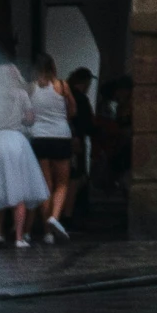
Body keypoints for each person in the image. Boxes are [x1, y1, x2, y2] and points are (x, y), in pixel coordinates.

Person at [0, 60, 48, 248]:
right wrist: (21, 118)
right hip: (16, 142)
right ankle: (19, 237)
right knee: (19, 189)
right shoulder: (21, 94)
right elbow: (30, 120)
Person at [27, 54, 75, 242]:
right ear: (53, 67)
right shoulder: (62, 86)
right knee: (62, 184)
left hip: (39, 137)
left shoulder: (31, 88)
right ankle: (55, 217)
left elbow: (29, 113)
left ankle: (47, 232)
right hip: (61, 137)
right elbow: (73, 109)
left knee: (46, 186)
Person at [64, 69, 96, 224]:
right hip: (76, 141)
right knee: (76, 177)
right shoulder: (81, 99)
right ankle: (69, 214)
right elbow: (87, 123)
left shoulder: (65, 95)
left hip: (62, 139)